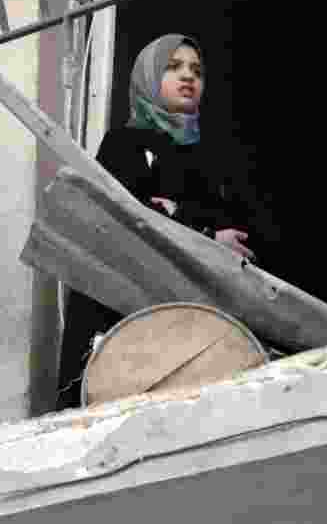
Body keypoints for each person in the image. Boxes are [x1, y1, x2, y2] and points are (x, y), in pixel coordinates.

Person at [55, 33, 261, 410]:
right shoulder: (125, 144)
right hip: (123, 312)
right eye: (173, 67)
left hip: (190, 314)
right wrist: (204, 232)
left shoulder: (206, 155)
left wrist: (180, 215)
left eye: (197, 71)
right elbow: (127, 217)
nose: (188, 77)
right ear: (148, 78)